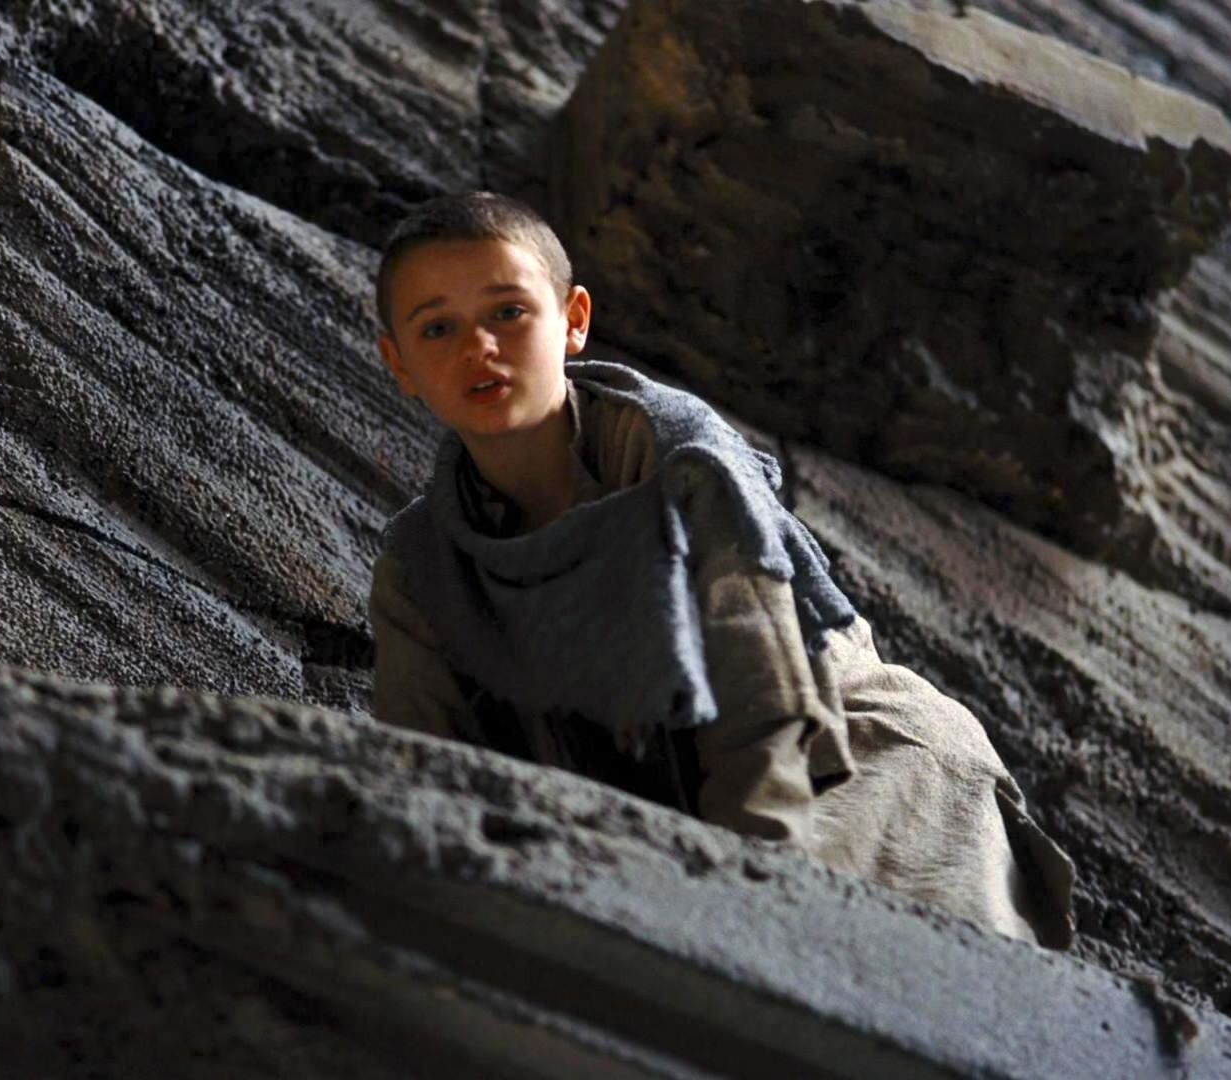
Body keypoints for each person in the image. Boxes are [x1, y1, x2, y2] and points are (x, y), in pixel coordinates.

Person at [367, 191, 1074, 948]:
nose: (479, 348)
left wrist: (743, 901)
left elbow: (761, 698)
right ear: (398, 365)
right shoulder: (422, 565)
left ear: (573, 320)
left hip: (846, 760)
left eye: (508, 312)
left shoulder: (683, 458)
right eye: (438, 328)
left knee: (853, 965)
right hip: (658, 810)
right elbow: (423, 767)